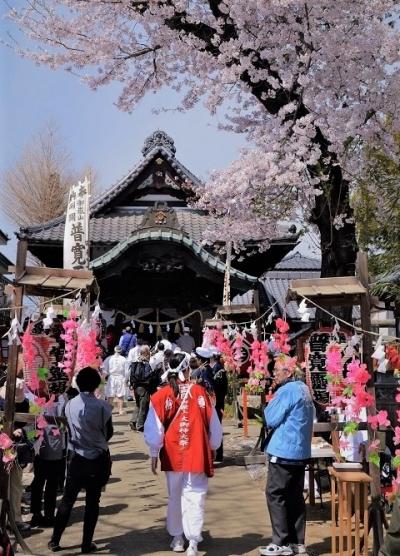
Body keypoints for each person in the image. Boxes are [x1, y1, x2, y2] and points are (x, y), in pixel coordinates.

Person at [144, 353, 223, 556]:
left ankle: (177, 538)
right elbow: (214, 424)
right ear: (187, 368)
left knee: (175, 495)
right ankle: (193, 541)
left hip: (172, 452)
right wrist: (213, 446)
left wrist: (154, 452)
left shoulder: (161, 395)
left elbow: (155, 429)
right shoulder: (200, 392)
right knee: (195, 495)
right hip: (197, 450)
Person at [48, 367, 113, 554]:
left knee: (68, 500)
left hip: (76, 457)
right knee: (93, 502)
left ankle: (54, 540)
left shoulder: (69, 404)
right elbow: (108, 433)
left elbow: (65, 427)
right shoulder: (103, 406)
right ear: (95, 385)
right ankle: (86, 544)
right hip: (97, 458)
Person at [260, 355, 314, 556]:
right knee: (294, 496)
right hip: (300, 451)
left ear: (289, 372)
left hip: (284, 450)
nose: (273, 374)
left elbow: (270, 418)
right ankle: (297, 542)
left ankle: (280, 541)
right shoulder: (303, 389)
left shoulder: (287, 390)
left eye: (277, 370)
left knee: (275, 494)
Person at [0, 378, 32, 532]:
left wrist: (23, 432)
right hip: (2, 448)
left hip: (16, 449)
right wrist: (7, 432)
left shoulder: (25, 404)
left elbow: (31, 426)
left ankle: (15, 519)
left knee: (16, 485)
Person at [30, 395, 66, 528]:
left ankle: (49, 515)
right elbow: (31, 424)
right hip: (41, 449)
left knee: (52, 483)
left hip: (57, 448)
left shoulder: (62, 400)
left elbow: (64, 424)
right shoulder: (36, 400)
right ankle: (36, 514)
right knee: (38, 483)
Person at [128, 345, 155, 431]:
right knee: (144, 406)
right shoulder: (146, 363)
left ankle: (133, 421)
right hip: (144, 387)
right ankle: (140, 425)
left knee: (137, 405)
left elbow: (130, 374)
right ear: (147, 353)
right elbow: (147, 376)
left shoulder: (135, 361)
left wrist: (131, 384)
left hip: (135, 386)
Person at [209, 351, 228, 463]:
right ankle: (217, 452)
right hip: (218, 402)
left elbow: (218, 388)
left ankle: (219, 453)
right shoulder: (218, 369)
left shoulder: (219, 370)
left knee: (217, 427)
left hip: (218, 403)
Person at [103, 345, 127, 414]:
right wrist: (126, 379)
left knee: (110, 394)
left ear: (114, 350)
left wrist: (103, 378)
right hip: (120, 377)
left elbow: (104, 370)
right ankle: (120, 410)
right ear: (121, 351)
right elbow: (127, 371)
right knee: (120, 394)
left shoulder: (109, 358)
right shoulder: (124, 359)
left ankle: (108, 410)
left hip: (112, 378)